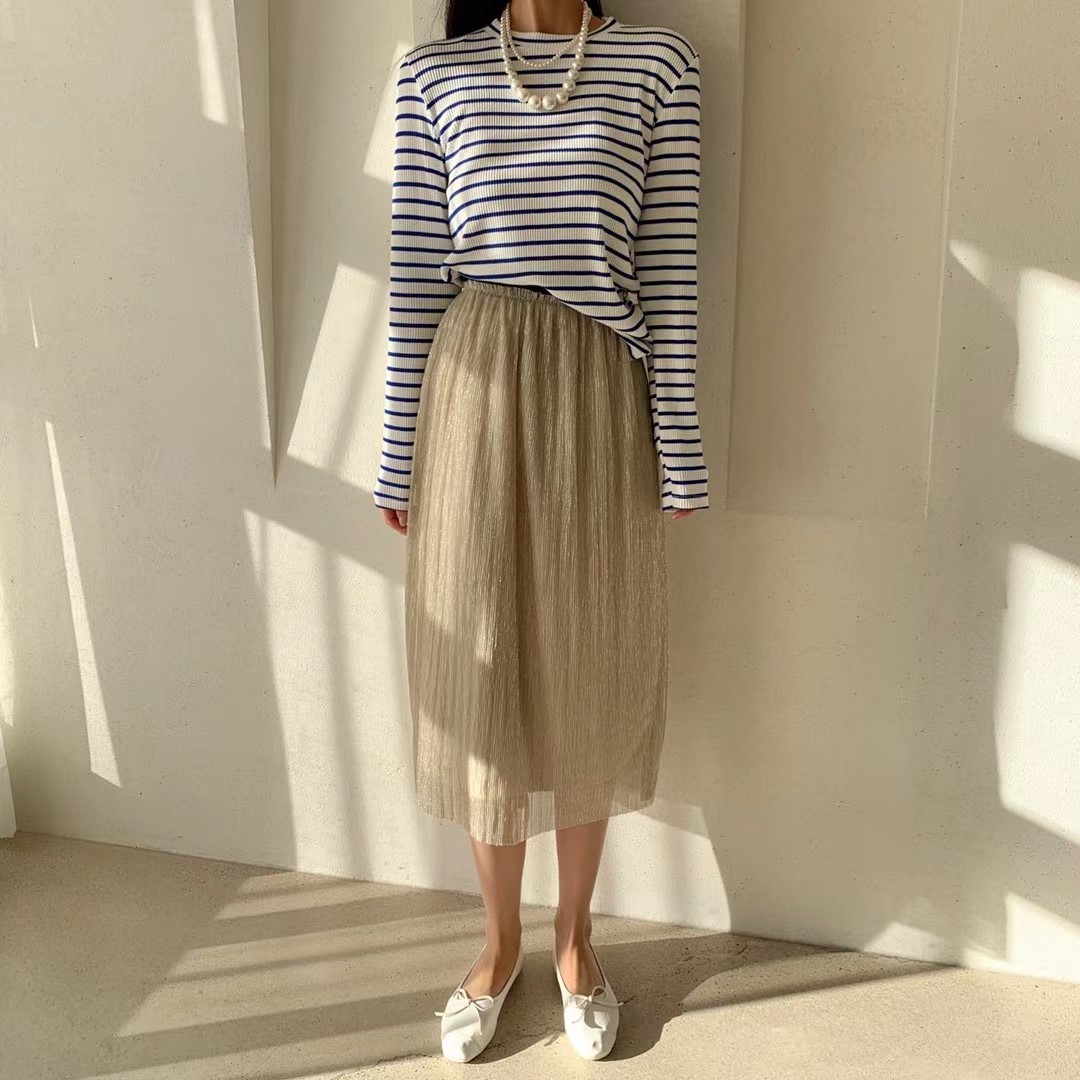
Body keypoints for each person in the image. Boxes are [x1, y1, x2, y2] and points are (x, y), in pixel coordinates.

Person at [373, 0, 708, 1061]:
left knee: (586, 663)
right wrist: (396, 451)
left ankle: (575, 942)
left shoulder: (659, 66)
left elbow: (670, 272)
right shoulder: (433, 75)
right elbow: (416, 272)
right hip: (469, 388)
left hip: (599, 391)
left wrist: (680, 446)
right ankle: (496, 943)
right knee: (480, 670)